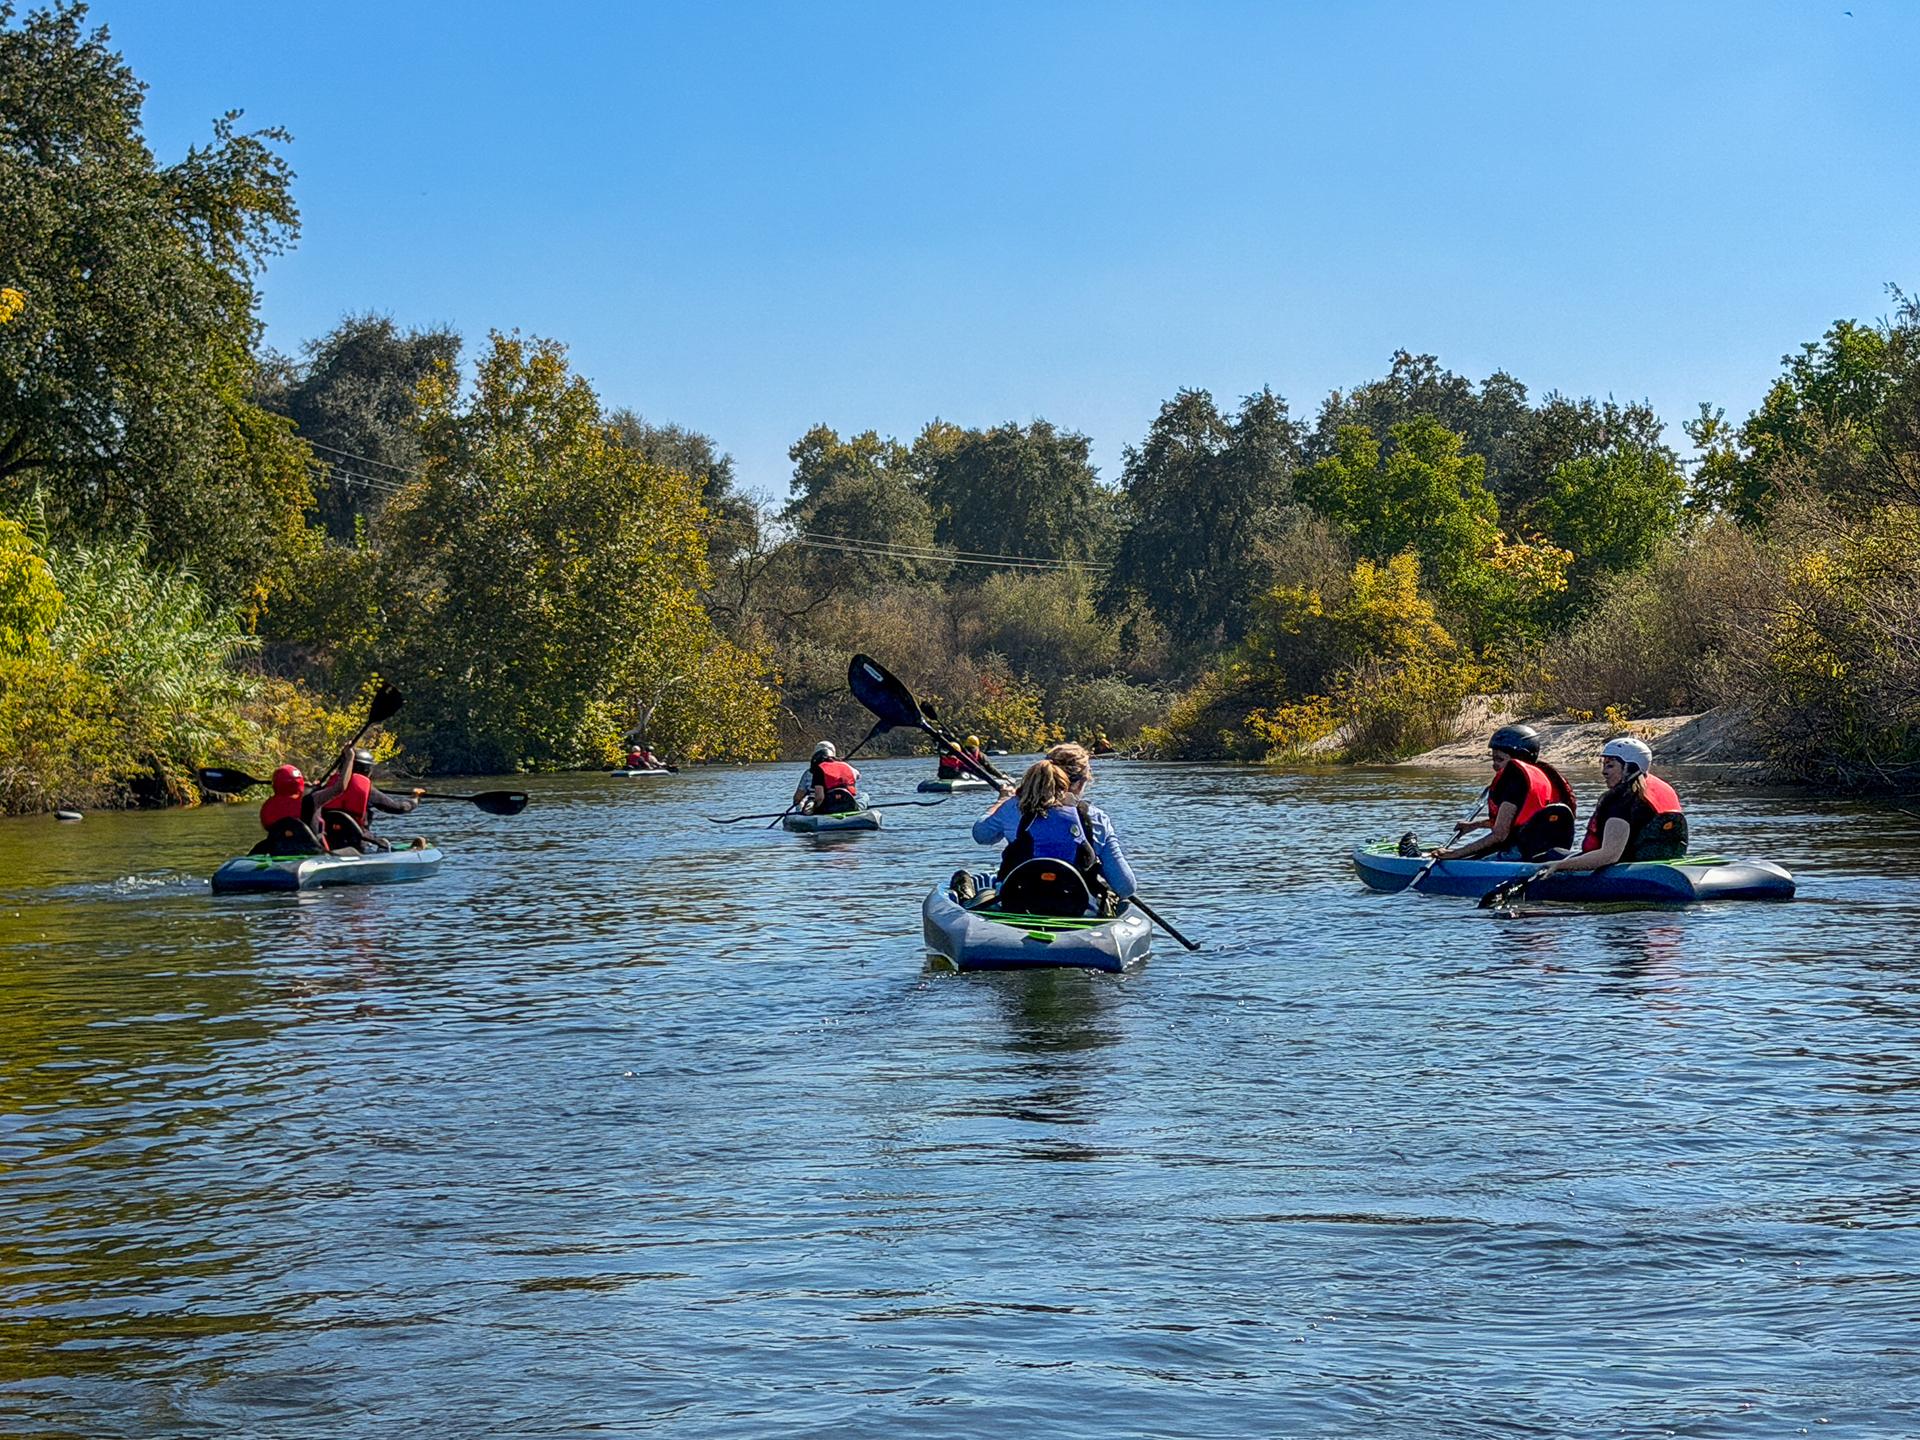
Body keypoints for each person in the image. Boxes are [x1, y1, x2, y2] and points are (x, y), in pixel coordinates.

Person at [956, 741, 1136, 909]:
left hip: (1016, 905)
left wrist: (1002, 801)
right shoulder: (1096, 817)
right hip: (1076, 909)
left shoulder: (1013, 807)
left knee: (970, 885)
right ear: (1081, 782)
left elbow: (981, 835)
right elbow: (1125, 887)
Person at [1531, 736, 1687, 878]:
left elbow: (1609, 856)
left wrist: (1558, 866)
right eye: (1604, 765)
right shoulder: (1661, 789)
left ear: (1630, 768)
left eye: (1610, 766)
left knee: (1550, 856)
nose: (1603, 772)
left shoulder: (1621, 801)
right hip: (1655, 861)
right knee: (1557, 853)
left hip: (1620, 869)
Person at [1431, 724, 1577, 862]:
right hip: (1541, 849)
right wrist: (1474, 825)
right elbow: (1519, 821)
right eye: (1493, 759)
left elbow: (1500, 835)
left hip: (1520, 854)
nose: (1494, 765)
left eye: (1499, 759)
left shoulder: (1514, 778)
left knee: (1464, 857)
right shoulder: (1542, 775)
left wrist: (1455, 854)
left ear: (1519, 758)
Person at [312, 743, 425, 852]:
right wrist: (415, 799)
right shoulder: (367, 790)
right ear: (367, 769)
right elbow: (399, 808)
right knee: (381, 845)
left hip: (327, 842)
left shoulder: (325, 788)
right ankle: (412, 850)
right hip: (358, 844)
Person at [252, 763, 325, 855]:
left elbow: (267, 825)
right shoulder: (307, 802)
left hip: (277, 845)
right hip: (304, 846)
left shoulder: (268, 805)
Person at [793, 740, 861, 814]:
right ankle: (858, 810)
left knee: (803, 802)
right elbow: (858, 776)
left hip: (822, 803)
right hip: (846, 800)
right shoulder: (847, 767)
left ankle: (801, 814)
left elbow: (798, 798)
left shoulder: (810, 772)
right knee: (863, 796)